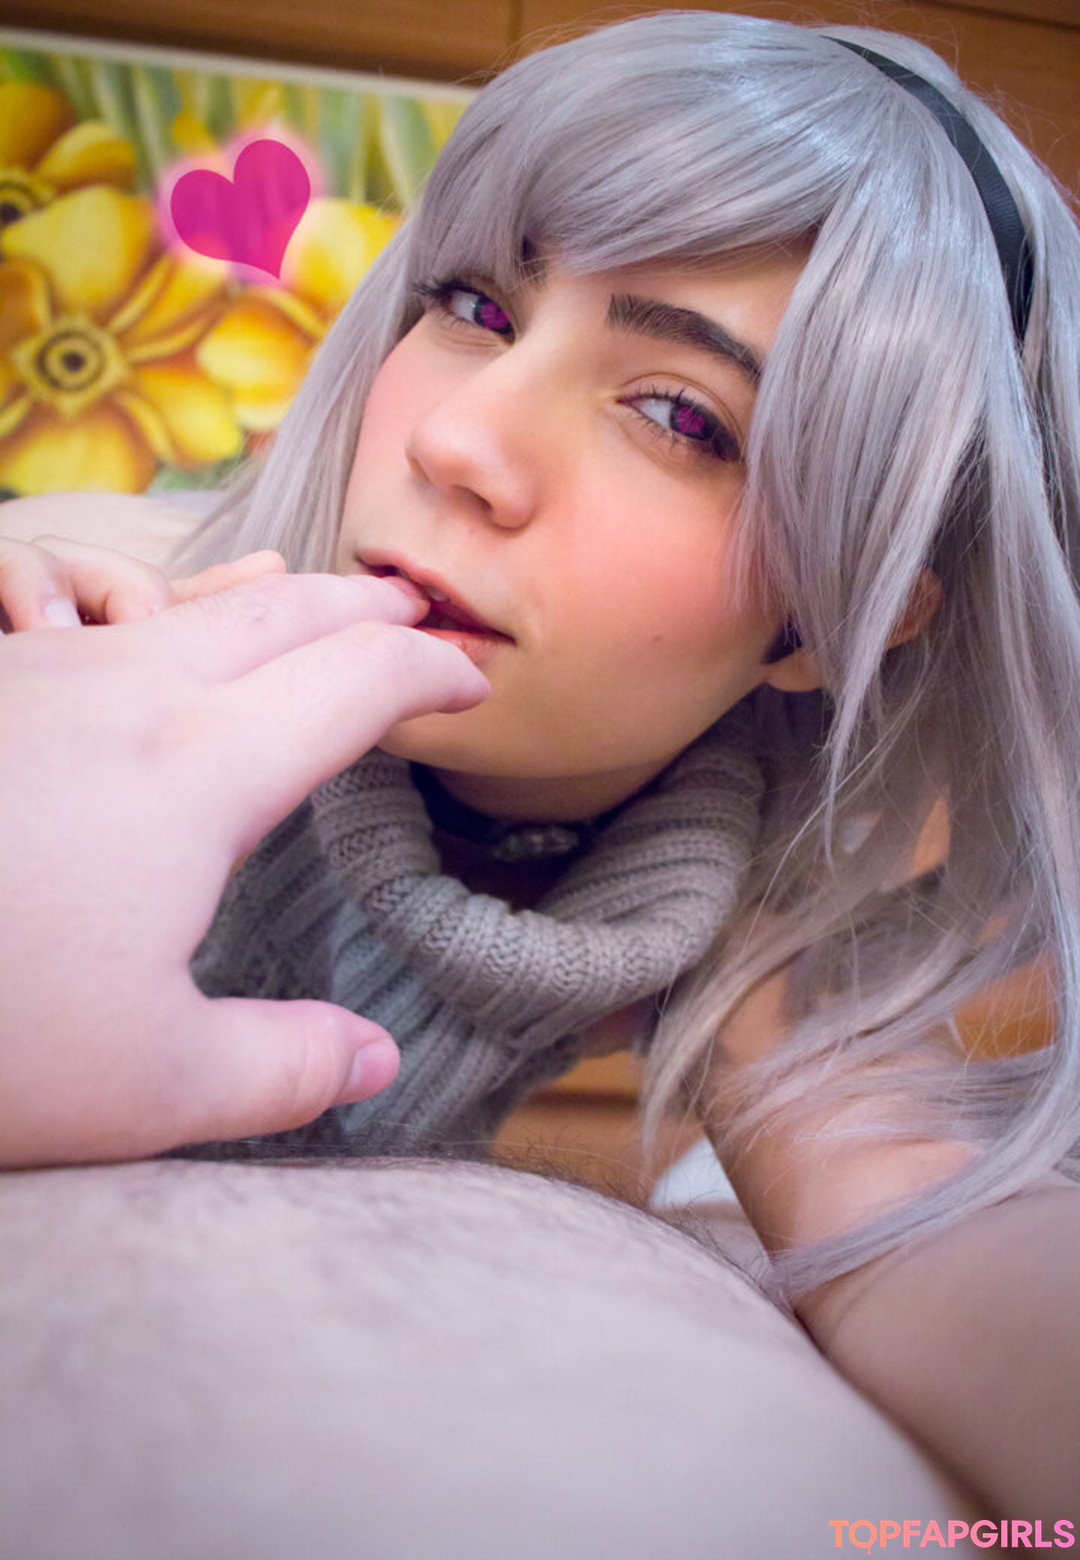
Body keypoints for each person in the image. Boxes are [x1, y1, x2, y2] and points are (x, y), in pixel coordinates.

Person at [1, 9, 1078, 1524]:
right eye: (473, 307)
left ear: (844, 613)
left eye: (679, 414)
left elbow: (928, 1237)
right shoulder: (78, 616)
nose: (460, 441)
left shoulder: (739, 895)